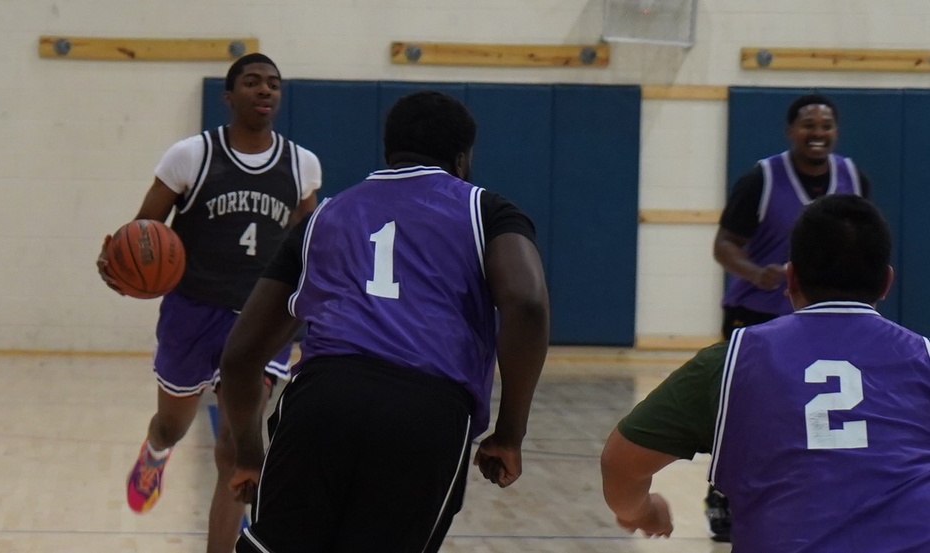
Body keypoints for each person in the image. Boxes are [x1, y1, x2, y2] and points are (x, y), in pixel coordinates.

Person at [218, 90, 550, 552]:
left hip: (322, 399)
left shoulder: (322, 217)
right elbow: (528, 306)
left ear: (388, 151)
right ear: (462, 158)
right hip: (427, 411)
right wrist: (511, 432)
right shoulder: (488, 211)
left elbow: (238, 358)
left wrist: (250, 456)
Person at [601, 195, 930, 551]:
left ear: (791, 278)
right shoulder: (924, 356)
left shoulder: (730, 362)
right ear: (886, 282)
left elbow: (620, 464)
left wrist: (641, 512)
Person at [95, 53, 322, 553]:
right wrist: (119, 264)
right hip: (193, 311)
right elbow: (143, 233)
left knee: (234, 450)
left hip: (261, 321)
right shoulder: (190, 156)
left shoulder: (302, 165)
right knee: (173, 425)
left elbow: (304, 244)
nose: (265, 91)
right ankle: (155, 453)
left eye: (273, 84)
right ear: (229, 95)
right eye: (252, 82)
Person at [708, 92, 871, 540]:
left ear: (835, 131)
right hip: (757, 315)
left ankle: (818, 493)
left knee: (816, 414)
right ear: (790, 131)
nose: (817, 134)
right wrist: (757, 273)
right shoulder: (761, 179)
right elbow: (723, 244)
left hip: (826, 319)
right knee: (750, 412)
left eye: (825, 126)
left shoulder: (853, 177)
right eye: (808, 125)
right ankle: (722, 495)